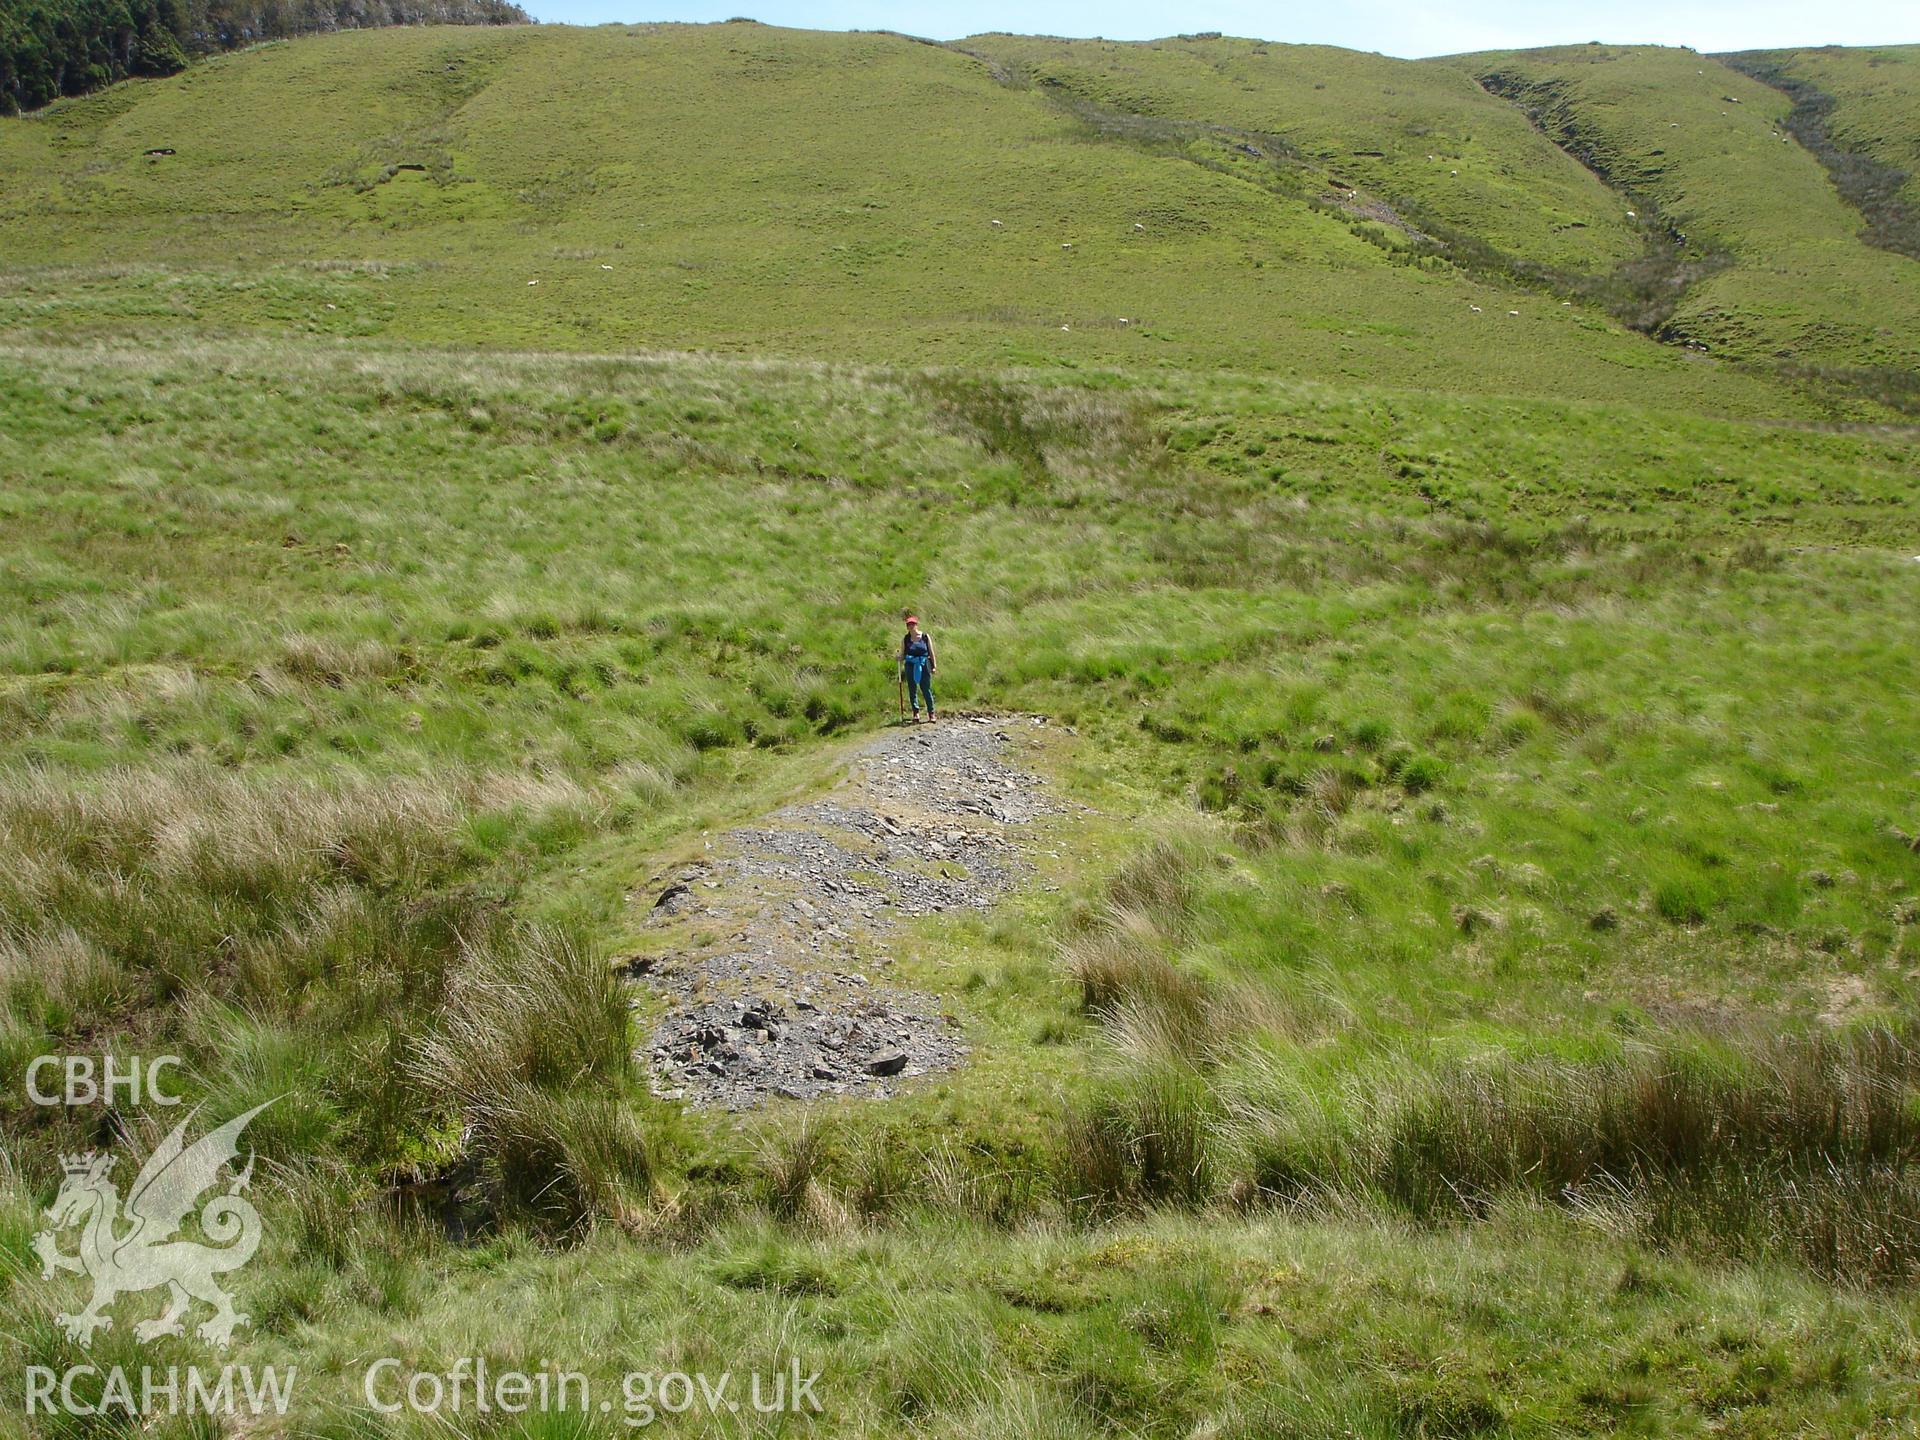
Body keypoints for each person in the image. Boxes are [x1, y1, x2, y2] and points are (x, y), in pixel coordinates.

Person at [899, 613, 936, 722]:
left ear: (916, 625)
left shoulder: (925, 637)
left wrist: (934, 666)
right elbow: (902, 654)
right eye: (909, 624)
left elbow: (931, 652)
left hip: (924, 664)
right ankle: (916, 713)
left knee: (926, 689)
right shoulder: (906, 639)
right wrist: (899, 658)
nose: (911, 626)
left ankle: (931, 713)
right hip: (910, 665)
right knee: (912, 689)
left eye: (913, 624)